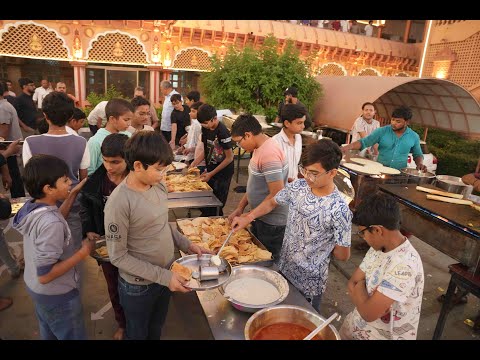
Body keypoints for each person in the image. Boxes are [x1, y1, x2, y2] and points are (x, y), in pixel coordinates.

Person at [104, 131, 212, 340]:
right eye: (159, 169)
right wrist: (164, 277)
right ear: (137, 166)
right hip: (138, 287)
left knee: (156, 328)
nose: (163, 175)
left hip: (166, 276)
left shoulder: (158, 185)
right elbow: (118, 256)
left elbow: (163, 223)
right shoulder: (119, 203)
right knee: (137, 333)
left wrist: (188, 244)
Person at [232, 140, 352, 311]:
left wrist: (322, 244)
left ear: (332, 173)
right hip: (285, 269)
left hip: (309, 283)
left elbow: (343, 255)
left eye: (313, 173)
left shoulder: (340, 210)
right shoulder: (298, 187)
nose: (307, 177)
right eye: (304, 170)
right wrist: (248, 217)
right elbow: (273, 202)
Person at [13, 154, 94, 340]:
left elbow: (55, 217)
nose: (70, 183)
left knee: (49, 332)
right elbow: (45, 275)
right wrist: (83, 252)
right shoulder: (51, 223)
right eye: (65, 180)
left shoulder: (32, 207)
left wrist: (72, 194)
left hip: (38, 293)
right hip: (58, 297)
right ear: (48, 188)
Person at [339, 192, 424, 340]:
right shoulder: (378, 249)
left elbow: (368, 313)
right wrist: (364, 298)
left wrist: (360, 288)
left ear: (378, 230)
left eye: (362, 233)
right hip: (356, 329)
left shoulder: (405, 265)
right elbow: (352, 282)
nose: (363, 238)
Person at [23, 92, 90, 253]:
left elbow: (31, 180)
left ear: (45, 115)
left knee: (46, 250)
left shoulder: (30, 143)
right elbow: (83, 179)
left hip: (43, 209)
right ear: (69, 116)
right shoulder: (81, 142)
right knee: (72, 250)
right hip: (71, 204)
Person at [79, 133, 129, 340]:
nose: (109, 167)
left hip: (136, 243)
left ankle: (138, 321)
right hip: (107, 246)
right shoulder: (95, 183)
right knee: (114, 286)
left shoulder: (139, 179)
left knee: (136, 286)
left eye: (115, 162)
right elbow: (85, 207)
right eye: (106, 161)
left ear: (129, 158)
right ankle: (123, 324)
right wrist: (89, 228)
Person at [228, 114, 288, 259]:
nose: (239, 146)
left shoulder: (269, 154)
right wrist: (240, 208)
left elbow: (276, 195)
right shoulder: (258, 148)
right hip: (260, 217)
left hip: (272, 224)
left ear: (247, 135)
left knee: (267, 263)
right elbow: (254, 185)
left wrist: (248, 217)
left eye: (238, 142)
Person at [342, 105, 427, 171]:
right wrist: (346, 148)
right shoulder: (382, 131)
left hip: (400, 174)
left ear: (407, 122)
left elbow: (418, 154)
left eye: (398, 121)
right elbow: (364, 142)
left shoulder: (414, 136)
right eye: (392, 120)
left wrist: (420, 164)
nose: (393, 123)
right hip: (379, 170)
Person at [189, 104, 234, 216]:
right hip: (211, 170)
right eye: (202, 124)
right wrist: (195, 162)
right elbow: (206, 150)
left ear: (214, 119)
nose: (204, 126)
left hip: (223, 173)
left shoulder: (222, 132)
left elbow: (229, 158)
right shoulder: (205, 129)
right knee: (206, 202)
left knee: (217, 203)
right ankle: (208, 217)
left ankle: (217, 221)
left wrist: (211, 173)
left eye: (205, 123)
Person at [87, 98, 133, 176]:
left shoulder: (129, 136)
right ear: (112, 119)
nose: (129, 124)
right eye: (126, 120)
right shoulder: (95, 142)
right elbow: (90, 171)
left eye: (130, 120)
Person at [0, 82, 25, 198]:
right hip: (7, 152)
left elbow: (1, 136)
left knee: (14, 182)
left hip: (8, 151)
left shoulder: (2, 108)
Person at [272, 103, 306, 182]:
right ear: (287, 123)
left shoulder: (298, 138)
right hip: (280, 188)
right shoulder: (275, 143)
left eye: (303, 122)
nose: (303, 126)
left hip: (294, 186)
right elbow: (273, 173)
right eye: (299, 123)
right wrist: (285, 180)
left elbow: (295, 165)